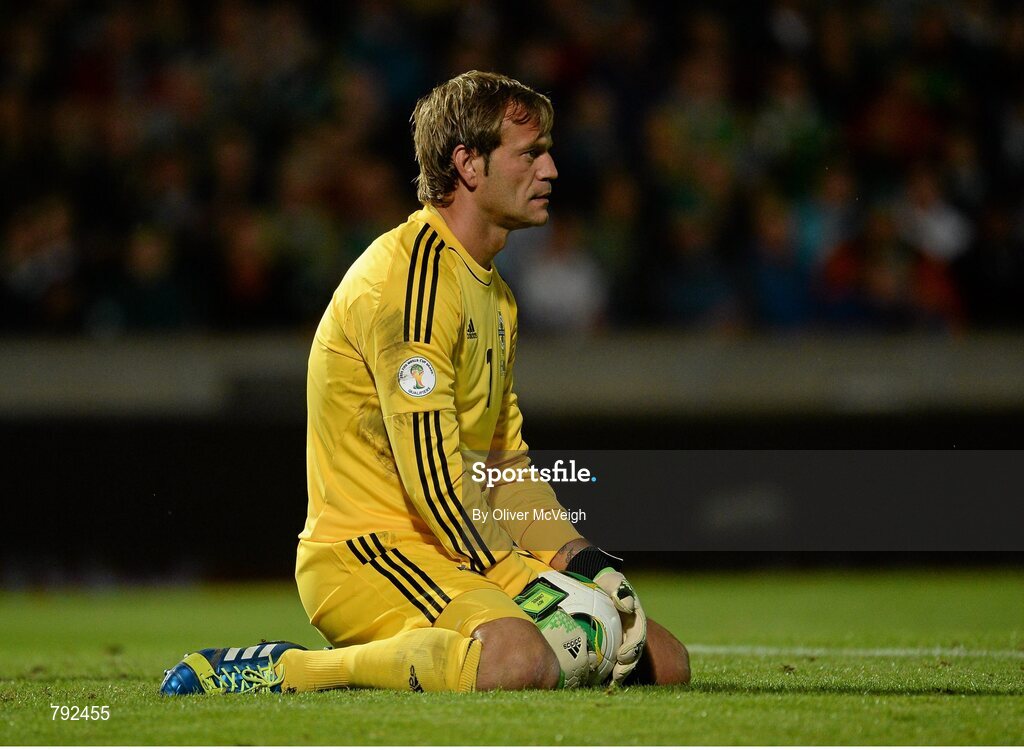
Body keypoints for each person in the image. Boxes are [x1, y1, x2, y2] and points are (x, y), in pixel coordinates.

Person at [160, 71, 690, 695]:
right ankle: (286, 669)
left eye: (546, 151)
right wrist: (526, 582)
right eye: (529, 153)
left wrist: (579, 560)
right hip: (370, 551)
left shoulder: (496, 297)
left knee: (662, 660)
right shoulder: (412, 283)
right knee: (519, 662)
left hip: (458, 541)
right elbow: (433, 479)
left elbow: (502, 465)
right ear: (468, 164)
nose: (550, 170)